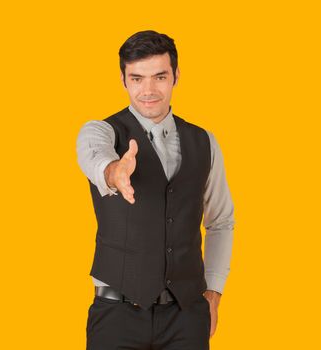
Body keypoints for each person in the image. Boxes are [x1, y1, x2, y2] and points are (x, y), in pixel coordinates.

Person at [76, 30, 235, 350]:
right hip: (116, 316)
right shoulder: (100, 132)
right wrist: (114, 172)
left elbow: (221, 221)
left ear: (176, 75)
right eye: (137, 78)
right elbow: (94, 158)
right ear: (123, 79)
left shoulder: (205, 141)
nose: (148, 90)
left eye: (159, 76)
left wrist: (213, 293)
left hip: (187, 317)